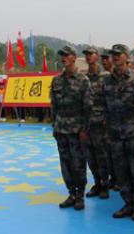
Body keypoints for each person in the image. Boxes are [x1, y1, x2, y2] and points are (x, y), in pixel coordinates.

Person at [104, 44, 134, 221]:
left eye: (119, 54)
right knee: (120, 171)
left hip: (133, 133)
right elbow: (105, 108)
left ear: (126, 57)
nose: (115, 57)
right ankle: (127, 203)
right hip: (115, 134)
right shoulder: (106, 81)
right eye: (113, 54)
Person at [50, 45, 92, 211]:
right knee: (65, 163)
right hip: (61, 128)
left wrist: (84, 129)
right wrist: (54, 125)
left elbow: (87, 107)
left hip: (76, 130)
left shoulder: (83, 80)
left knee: (78, 163)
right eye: (61, 55)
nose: (63, 58)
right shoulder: (56, 80)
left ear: (74, 57)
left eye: (66, 55)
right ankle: (71, 193)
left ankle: (80, 195)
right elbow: (53, 105)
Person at [82, 46, 110, 200]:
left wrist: (108, 118)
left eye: (90, 54)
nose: (88, 57)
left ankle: (105, 185)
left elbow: (111, 98)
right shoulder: (84, 78)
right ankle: (97, 183)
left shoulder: (106, 76)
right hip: (88, 124)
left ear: (96, 56)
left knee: (102, 155)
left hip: (102, 123)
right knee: (90, 156)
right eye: (86, 55)